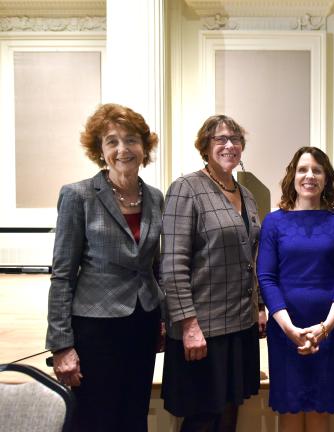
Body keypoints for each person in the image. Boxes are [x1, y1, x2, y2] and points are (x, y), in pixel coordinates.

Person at [45, 103, 165, 432]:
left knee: (133, 413)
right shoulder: (78, 196)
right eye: (112, 141)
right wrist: (61, 344)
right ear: (100, 150)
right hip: (95, 329)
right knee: (96, 418)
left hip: (142, 323)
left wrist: (163, 320)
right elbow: (62, 275)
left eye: (130, 140)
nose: (122, 149)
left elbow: (155, 267)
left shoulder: (155, 197)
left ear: (145, 146)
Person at [160, 115, 266, 432]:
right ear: (205, 146)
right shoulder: (186, 188)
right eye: (220, 139)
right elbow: (172, 263)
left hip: (240, 324)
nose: (229, 145)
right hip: (203, 328)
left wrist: (259, 306)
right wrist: (188, 324)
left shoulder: (246, 194)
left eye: (235, 139)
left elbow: (252, 256)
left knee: (230, 411)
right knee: (202, 417)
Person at [256, 146, 334, 432]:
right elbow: (266, 277)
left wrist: (325, 328)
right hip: (285, 329)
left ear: (326, 178)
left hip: (328, 329)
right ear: (292, 176)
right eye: (303, 169)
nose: (309, 176)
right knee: (289, 409)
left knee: (319, 410)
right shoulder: (274, 222)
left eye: (317, 170)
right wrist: (289, 329)